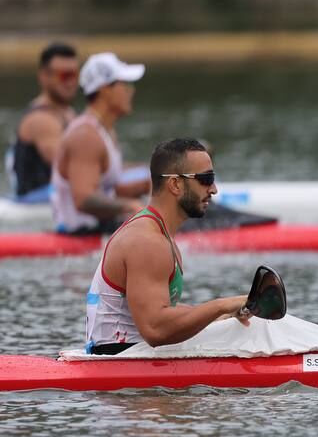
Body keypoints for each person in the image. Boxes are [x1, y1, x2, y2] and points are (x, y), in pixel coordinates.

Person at [84, 138, 249, 355]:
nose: (214, 189)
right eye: (206, 179)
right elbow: (155, 329)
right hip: (121, 366)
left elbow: (160, 309)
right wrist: (221, 305)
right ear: (175, 184)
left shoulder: (158, 233)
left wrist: (219, 317)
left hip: (133, 354)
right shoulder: (148, 242)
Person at [50, 52, 152, 234]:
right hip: (82, 233)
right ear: (105, 89)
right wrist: (130, 206)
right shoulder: (85, 136)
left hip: (102, 226)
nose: (131, 90)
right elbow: (83, 199)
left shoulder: (104, 130)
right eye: (125, 84)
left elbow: (105, 187)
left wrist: (147, 184)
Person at [6, 42, 79, 202]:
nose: (71, 82)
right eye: (64, 75)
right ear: (44, 76)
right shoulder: (41, 120)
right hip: (35, 203)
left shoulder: (69, 113)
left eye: (74, 75)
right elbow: (70, 170)